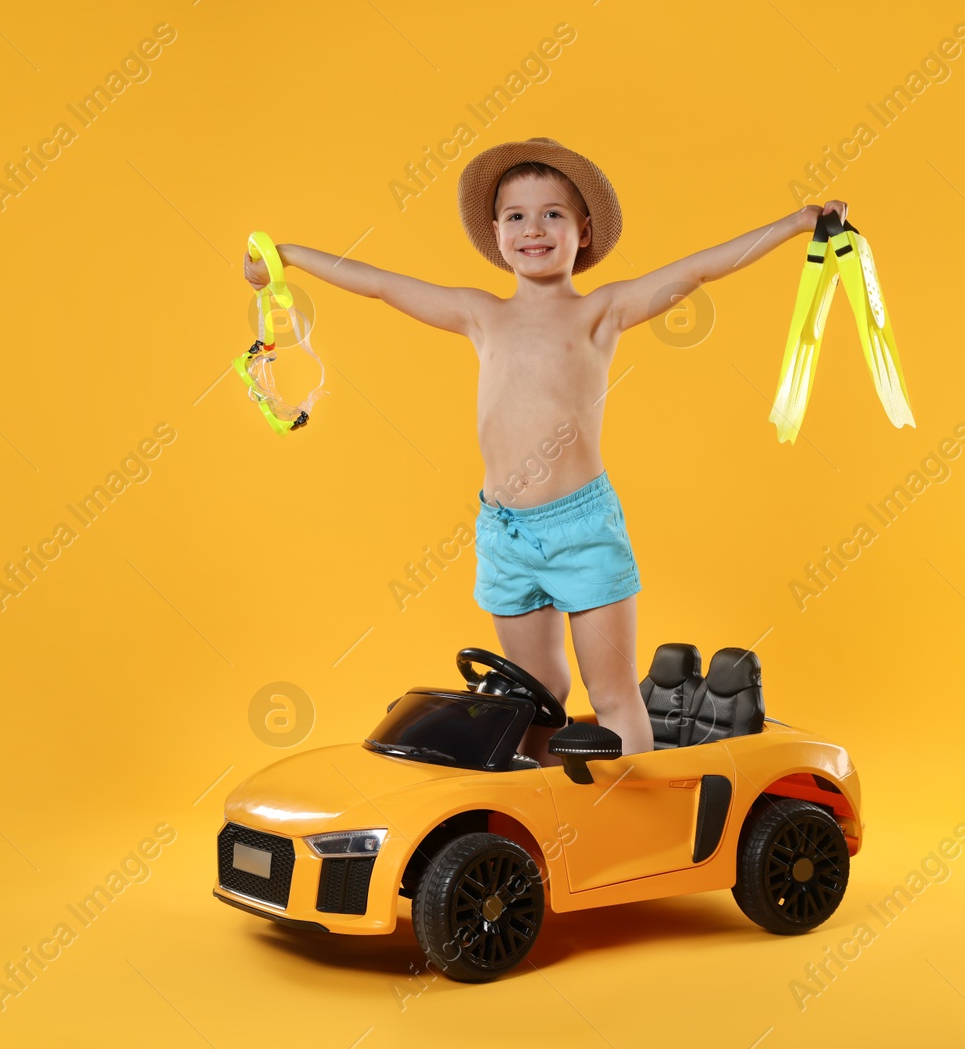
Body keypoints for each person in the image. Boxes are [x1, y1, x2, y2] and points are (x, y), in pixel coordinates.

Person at [245, 136, 845, 762]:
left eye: (553, 214)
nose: (534, 229)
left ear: (583, 231)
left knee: (612, 695)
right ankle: (556, 814)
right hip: (504, 532)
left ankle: (636, 823)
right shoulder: (480, 314)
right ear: (497, 233)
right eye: (516, 217)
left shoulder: (602, 312)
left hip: (581, 528)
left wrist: (797, 223)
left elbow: (697, 268)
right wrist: (284, 258)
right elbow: (378, 285)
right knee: (532, 696)